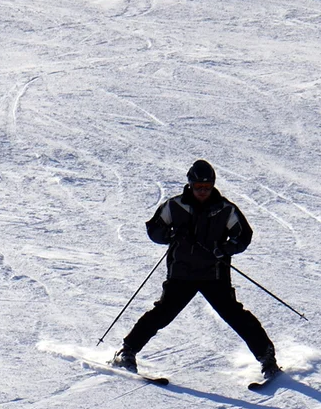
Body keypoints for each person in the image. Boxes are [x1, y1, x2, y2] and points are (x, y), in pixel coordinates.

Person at [113, 160, 279, 380]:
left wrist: (224, 249)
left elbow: (243, 235)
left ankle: (267, 359)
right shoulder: (175, 205)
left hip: (215, 274)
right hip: (182, 273)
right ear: (190, 185)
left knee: (235, 316)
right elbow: (154, 229)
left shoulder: (224, 208)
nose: (203, 191)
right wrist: (171, 235)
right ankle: (128, 351)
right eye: (199, 187)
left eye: (207, 187)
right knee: (162, 314)